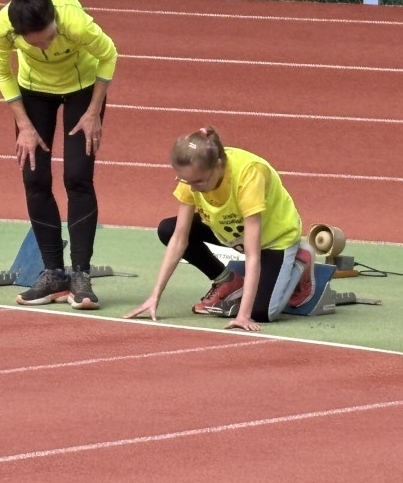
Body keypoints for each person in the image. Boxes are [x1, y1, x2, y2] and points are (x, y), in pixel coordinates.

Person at [0, 0, 117, 309]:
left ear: (55, 22)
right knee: (34, 177)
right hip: (33, 91)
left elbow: (109, 55)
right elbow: (3, 73)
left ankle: (81, 276)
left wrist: (93, 112)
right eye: (36, 44)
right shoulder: (1, 30)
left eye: (49, 38)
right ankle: (54, 274)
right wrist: (24, 125)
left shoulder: (74, 22)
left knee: (77, 177)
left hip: (82, 88)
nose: (46, 47)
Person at [124, 127, 315, 332]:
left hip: (272, 239)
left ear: (218, 165)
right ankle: (227, 281)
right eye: (186, 181)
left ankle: (300, 260)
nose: (193, 188)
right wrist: (155, 296)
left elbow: (252, 254)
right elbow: (179, 238)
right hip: (228, 230)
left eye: (198, 182)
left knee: (262, 313)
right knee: (167, 229)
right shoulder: (194, 175)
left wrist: (243, 315)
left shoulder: (250, 174)